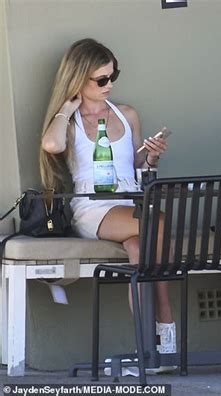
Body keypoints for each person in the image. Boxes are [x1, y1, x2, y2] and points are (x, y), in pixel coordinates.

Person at [40, 38, 176, 373]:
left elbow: (137, 166)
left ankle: (146, 350)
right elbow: (51, 144)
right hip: (94, 209)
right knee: (155, 222)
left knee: (139, 250)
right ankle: (167, 329)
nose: (109, 85)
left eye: (113, 76)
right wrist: (67, 107)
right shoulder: (70, 123)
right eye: (101, 80)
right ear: (79, 80)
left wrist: (151, 154)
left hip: (129, 203)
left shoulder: (126, 113)